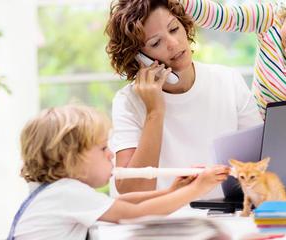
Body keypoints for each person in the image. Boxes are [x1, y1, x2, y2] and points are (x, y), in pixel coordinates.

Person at [105, 0, 263, 198]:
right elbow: (133, 191)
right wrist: (155, 112)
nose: (173, 43)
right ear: (138, 58)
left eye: (173, 29)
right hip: (162, 219)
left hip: (226, 215)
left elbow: (261, 162)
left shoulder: (228, 80)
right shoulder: (128, 102)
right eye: (155, 43)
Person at [7, 105, 230, 240]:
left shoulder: (59, 193)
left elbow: (123, 203)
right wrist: (197, 189)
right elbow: (135, 213)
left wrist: (174, 190)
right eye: (103, 148)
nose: (111, 154)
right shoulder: (66, 193)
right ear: (71, 158)